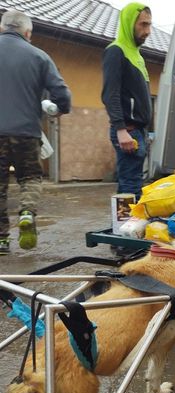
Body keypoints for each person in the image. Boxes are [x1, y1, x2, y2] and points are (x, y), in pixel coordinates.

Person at [0, 9, 71, 255]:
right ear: (28, 32)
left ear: (2, 28)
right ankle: (27, 213)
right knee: (30, 177)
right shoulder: (39, 56)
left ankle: (1, 240)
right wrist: (60, 108)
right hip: (26, 132)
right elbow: (62, 94)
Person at [102, 2, 152, 201]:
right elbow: (109, 94)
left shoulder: (137, 55)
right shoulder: (116, 51)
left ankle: (130, 228)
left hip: (138, 131)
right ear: (129, 23)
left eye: (149, 25)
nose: (147, 31)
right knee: (129, 188)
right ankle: (124, 230)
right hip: (127, 130)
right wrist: (121, 129)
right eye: (143, 25)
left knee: (135, 187)